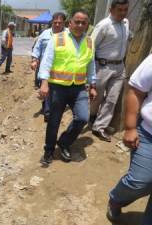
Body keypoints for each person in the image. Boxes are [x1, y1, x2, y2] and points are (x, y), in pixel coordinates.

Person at [38, 9, 97, 165]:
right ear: (69, 23)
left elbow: (91, 65)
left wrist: (93, 85)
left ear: (87, 25)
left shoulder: (90, 41)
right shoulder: (57, 39)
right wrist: (44, 83)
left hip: (78, 88)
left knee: (83, 117)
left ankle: (64, 142)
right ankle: (48, 151)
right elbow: (46, 62)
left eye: (83, 22)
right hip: (57, 87)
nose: (79, 25)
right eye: (76, 21)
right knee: (54, 121)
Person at [107, 54, 152, 224]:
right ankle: (116, 199)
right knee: (141, 181)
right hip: (149, 133)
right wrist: (131, 127)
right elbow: (136, 90)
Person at [90, 0, 130, 142]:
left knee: (112, 99)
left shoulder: (126, 23)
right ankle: (91, 117)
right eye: (120, 10)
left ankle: (99, 127)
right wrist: (91, 71)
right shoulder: (103, 25)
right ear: (111, 9)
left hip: (119, 68)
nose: (123, 13)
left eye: (125, 9)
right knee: (97, 97)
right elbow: (91, 47)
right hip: (102, 67)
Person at [31, 12, 66, 122]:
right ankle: (47, 110)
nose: (57, 25)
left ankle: (48, 110)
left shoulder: (67, 35)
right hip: (44, 68)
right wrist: (34, 60)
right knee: (44, 87)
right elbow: (37, 48)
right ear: (52, 22)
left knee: (55, 90)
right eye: (55, 22)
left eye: (59, 23)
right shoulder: (45, 34)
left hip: (60, 69)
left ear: (64, 23)